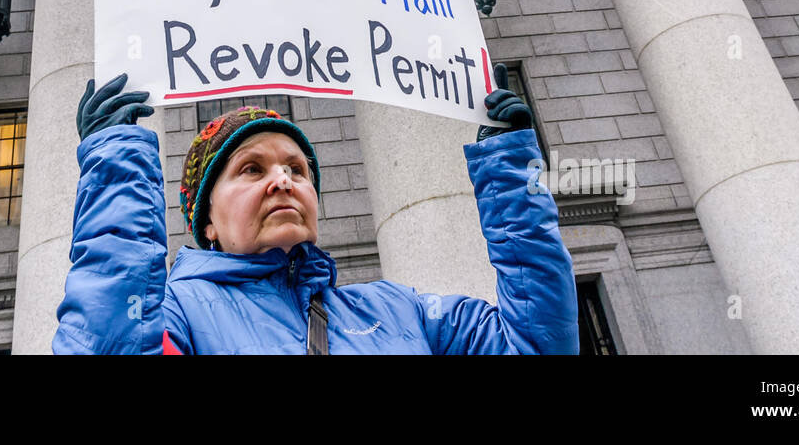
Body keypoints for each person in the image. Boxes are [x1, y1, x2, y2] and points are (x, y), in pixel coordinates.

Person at [52, 64, 578, 354]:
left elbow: (535, 347)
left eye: (298, 170)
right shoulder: (175, 316)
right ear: (206, 220)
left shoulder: (401, 311)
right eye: (251, 169)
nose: (283, 179)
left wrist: (511, 175)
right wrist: (115, 171)